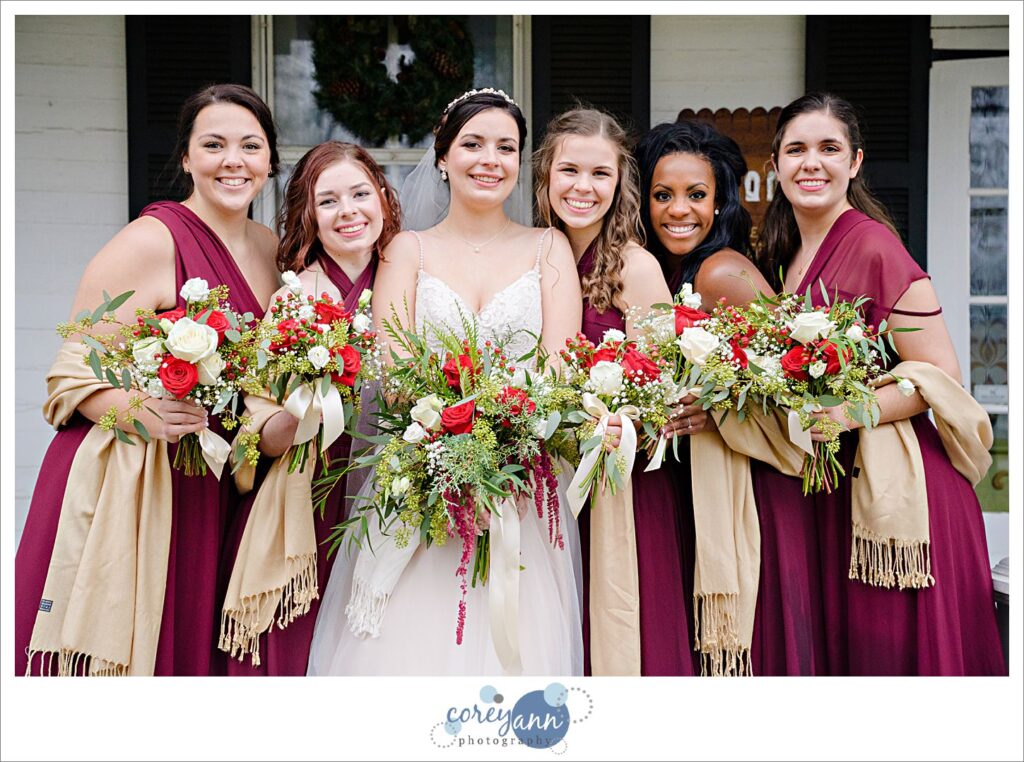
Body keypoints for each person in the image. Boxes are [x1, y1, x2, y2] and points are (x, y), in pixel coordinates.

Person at [307, 89, 584, 675]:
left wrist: (501, 444)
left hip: (520, 488)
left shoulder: (548, 247)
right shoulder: (408, 251)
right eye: (473, 144)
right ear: (443, 157)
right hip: (420, 486)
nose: (491, 159)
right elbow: (391, 365)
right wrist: (450, 448)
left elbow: (560, 368)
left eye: (506, 147)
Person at [15, 83, 280, 675]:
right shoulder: (149, 241)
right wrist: (138, 408)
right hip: (138, 479)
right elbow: (69, 371)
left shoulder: (271, 249)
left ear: (269, 161)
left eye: (250, 146)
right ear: (186, 158)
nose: (232, 161)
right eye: (213, 144)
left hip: (217, 480)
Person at [748, 92, 1004, 675]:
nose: (811, 163)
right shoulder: (785, 250)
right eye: (796, 150)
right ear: (777, 164)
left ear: (855, 162)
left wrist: (846, 414)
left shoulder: (873, 245)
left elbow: (940, 377)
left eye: (829, 149)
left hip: (900, 493)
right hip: (838, 483)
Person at [217, 142, 400, 675]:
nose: (349, 212)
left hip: (394, 499)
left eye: (360, 194)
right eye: (329, 201)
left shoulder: (410, 281)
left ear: (383, 199)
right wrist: (303, 411)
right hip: (311, 503)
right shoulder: (293, 301)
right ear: (308, 216)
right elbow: (255, 430)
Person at [533, 107, 694, 675]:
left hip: (618, 485)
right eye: (569, 171)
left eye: (600, 174)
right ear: (545, 176)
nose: (583, 187)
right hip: (538, 480)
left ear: (620, 181)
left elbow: (659, 389)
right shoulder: (528, 256)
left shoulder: (635, 267)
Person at [635, 120, 774, 675]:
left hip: (738, 487)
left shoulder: (723, 271)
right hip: (671, 486)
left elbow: (789, 382)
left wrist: (716, 410)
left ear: (720, 203)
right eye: (663, 195)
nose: (678, 210)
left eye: (697, 195)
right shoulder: (650, 271)